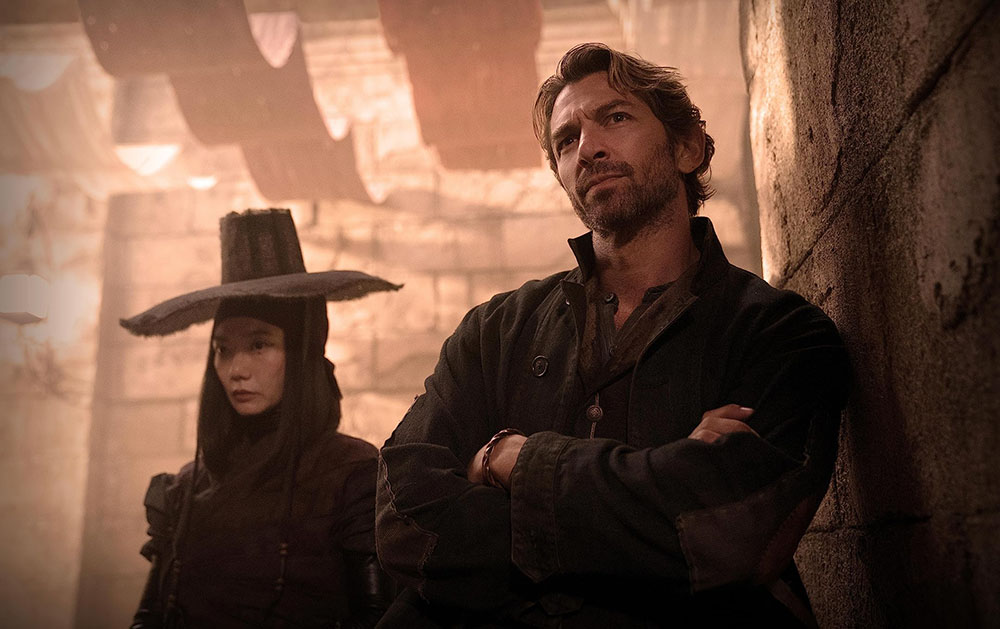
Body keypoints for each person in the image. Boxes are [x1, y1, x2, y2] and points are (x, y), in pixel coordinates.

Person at [375, 43, 850, 627]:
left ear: (687, 146)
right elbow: (404, 519)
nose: (588, 149)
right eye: (566, 140)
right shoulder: (494, 331)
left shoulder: (778, 333)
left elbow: (729, 535)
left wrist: (510, 461)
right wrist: (659, 482)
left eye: (615, 117)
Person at [121, 209, 400, 628]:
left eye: (258, 345)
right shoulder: (187, 488)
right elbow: (150, 617)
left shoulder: (352, 477)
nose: (236, 369)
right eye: (223, 349)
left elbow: (377, 619)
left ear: (301, 353)